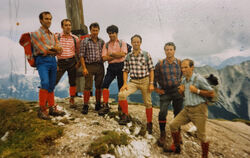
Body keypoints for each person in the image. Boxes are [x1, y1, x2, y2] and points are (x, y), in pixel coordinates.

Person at [164, 59, 215, 158]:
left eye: (186, 67)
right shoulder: (184, 80)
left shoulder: (199, 79)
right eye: (182, 67)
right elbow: (185, 96)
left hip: (199, 110)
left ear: (192, 67)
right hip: (187, 110)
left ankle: (205, 156)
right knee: (173, 125)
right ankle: (177, 147)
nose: (183, 69)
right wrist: (181, 92)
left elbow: (212, 93)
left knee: (202, 136)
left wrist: (197, 91)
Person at [30, 11, 65, 120]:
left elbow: (60, 50)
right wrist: (53, 49)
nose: (49, 21)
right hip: (42, 60)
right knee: (45, 82)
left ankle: (52, 108)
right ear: (41, 20)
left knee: (51, 84)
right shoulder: (35, 34)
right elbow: (43, 49)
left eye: (50, 19)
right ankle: (42, 109)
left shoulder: (53, 35)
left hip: (52, 61)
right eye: (46, 19)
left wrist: (52, 49)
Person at [118, 34, 154, 134]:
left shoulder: (146, 54)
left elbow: (151, 69)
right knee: (121, 94)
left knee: (148, 102)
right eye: (134, 42)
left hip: (145, 80)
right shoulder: (128, 56)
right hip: (133, 81)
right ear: (132, 43)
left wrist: (151, 83)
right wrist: (125, 83)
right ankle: (125, 116)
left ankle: (149, 123)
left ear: (140, 43)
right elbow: (125, 70)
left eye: (138, 42)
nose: (136, 43)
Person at [154, 42, 183, 147]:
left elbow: (184, 76)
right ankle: (162, 134)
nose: (169, 51)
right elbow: (154, 77)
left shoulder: (180, 63)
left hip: (177, 91)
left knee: (178, 114)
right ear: (164, 51)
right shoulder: (160, 64)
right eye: (167, 49)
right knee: (162, 112)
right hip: (165, 91)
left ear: (174, 50)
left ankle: (178, 134)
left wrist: (183, 87)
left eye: (171, 49)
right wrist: (156, 89)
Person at [98, 25, 127, 116]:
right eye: (109, 34)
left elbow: (123, 54)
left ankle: (121, 106)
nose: (111, 35)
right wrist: (115, 55)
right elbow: (104, 58)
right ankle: (105, 105)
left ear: (116, 33)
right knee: (105, 84)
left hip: (121, 66)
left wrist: (110, 54)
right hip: (111, 67)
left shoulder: (122, 43)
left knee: (121, 86)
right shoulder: (106, 44)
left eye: (113, 33)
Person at [79, 22, 105, 114]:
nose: (95, 32)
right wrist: (84, 68)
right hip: (89, 65)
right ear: (90, 30)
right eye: (93, 30)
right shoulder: (85, 41)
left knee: (99, 85)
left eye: (96, 30)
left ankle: (98, 104)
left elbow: (104, 54)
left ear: (99, 30)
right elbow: (81, 55)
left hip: (100, 66)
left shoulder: (101, 41)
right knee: (88, 86)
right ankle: (85, 105)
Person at [55, 19, 80, 108]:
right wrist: (55, 64)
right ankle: (48, 99)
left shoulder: (75, 38)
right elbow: (52, 50)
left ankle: (72, 99)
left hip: (72, 61)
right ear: (62, 26)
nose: (68, 27)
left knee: (72, 82)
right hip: (60, 62)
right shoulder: (57, 37)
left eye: (69, 25)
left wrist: (78, 63)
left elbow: (78, 51)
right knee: (54, 80)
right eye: (66, 25)